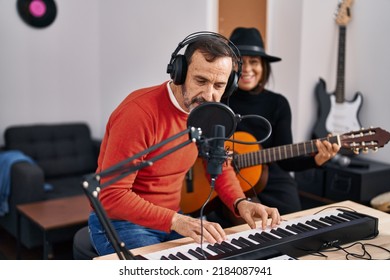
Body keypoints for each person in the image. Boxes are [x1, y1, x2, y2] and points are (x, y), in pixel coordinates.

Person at [88, 31, 281, 256]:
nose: (209, 94)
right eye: (201, 80)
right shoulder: (138, 113)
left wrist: (240, 202)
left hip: (173, 218)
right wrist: (176, 221)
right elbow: (111, 195)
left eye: (219, 85)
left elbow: (219, 166)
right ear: (179, 72)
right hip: (121, 223)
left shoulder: (209, 112)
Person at [218, 27, 340, 218]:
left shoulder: (278, 103)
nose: (247, 69)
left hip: (271, 178)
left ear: (263, 66)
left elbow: (287, 159)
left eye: (254, 62)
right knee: (238, 229)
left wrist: (318, 159)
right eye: (239, 62)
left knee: (293, 221)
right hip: (224, 179)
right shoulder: (216, 99)